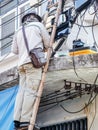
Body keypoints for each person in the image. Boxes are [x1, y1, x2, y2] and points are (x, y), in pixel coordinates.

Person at [11, 10, 50, 130]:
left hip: (21, 65)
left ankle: (17, 120)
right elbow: (48, 44)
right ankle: (25, 121)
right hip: (33, 63)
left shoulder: (18, 30)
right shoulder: (39, 25)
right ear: (36, 18)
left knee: (21, 92)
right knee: (31, 92)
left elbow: (14, 50)